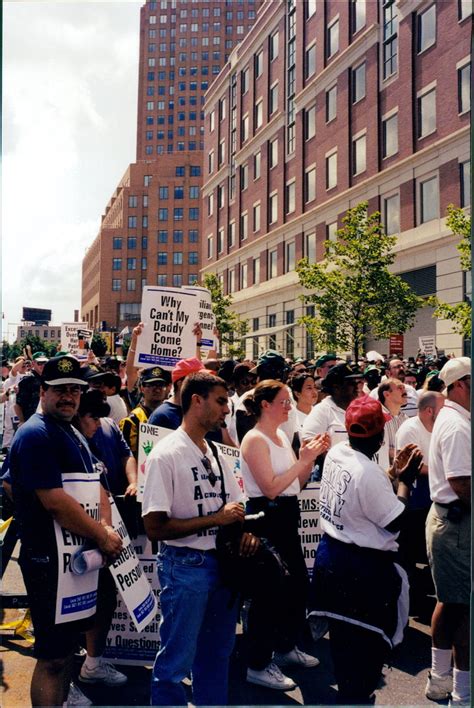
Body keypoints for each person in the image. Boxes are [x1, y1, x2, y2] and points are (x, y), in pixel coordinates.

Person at [9, 355, 123, 707]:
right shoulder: (36, 434)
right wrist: (103, 535)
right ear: (43, 392)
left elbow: (96, 484)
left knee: (64, 655)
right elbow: (55, 502)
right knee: (54, 657)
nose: (69, 397)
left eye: (74, 389)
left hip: (73, 559)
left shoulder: (71, 430)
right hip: (49, 560)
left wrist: (103, 525)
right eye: (59, 390)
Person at [142, 372, 257, 706]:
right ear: (196, 400)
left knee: (216, 656)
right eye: (221, 401)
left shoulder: (219, 454)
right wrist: (215, 519)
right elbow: (155, 527)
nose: (227, 409)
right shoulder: (166, 454)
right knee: (175, 665)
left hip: (221, 566)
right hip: (185, 567)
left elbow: (237, 509)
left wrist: (244, 532)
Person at [309, 395, 423, 705]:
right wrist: (406, 482)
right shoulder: (367, 471)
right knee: (364, 658)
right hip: (361, 573)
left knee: (345, 652)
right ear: (378, 435)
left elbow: (362, 496)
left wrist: (393, 475)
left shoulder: (337, 453)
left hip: (333, 561)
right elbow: (395, 520)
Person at [240, 380, 329, 690]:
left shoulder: (278, 436)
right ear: (265, 405)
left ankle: (285, 647)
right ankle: (258, 663)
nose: (290, 406)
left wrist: (309, 458)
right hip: (267, 517)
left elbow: (295, 484)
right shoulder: (254, 439)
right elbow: (271, 488)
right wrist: (304, 461)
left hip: (287, 515)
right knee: (269, 592)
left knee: (295, 587)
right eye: (284, 401)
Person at [72, 390, 130, 688]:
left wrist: (105, 529)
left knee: (104, 598)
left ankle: (92, 664)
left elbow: (101, 489)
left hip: (98, 540)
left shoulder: (93, 436)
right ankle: (64, 690)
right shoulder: (54, 438)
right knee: (68, 614)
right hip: (71, 545)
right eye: (93, 418)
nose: (98, 424)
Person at [425, 357, 471, 706]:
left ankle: (442, 680)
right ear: (458, 386)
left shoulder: (455, 418)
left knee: (452, 604)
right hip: (457, 523)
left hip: (450, 520)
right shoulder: (457, 425)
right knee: (463, 608)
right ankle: (460, 692)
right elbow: (461, 483)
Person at [395, 391, 445, 608]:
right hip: (415, 495)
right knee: (410, 544)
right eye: (441, 409)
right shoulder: (410, 429)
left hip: (432, 491)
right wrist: (445, 470)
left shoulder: (439, 427)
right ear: (429, 411)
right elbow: (413, 466)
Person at [301, 362, 362, 447]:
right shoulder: (321, 411)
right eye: (350, 383)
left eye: (356, 382)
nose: (356, 386)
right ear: (336, 388)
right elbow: (308, 443)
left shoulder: (359, 408)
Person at [119, 366, 171, 458]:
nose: (157, 389)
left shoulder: (172, 415)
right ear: (142, 388)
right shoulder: (132, 420)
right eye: (151, 385)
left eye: (160, 385)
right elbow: (127, 456)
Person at [14, 351, 49, 424]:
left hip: (45, 420)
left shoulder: (47, 379)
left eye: (45, 363)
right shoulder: (27, 380)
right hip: (30, 421)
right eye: (40, 363)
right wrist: (22, 421)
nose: (43, 365)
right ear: (33, 363)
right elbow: (17, 404)